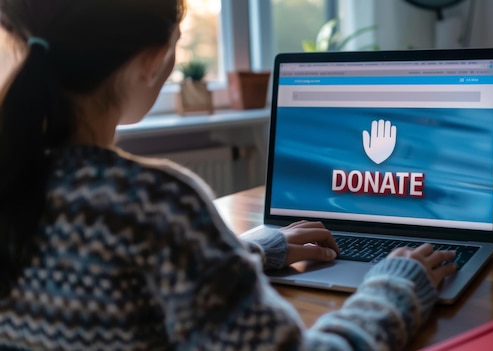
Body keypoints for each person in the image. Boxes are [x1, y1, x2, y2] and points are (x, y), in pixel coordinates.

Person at [0, 0, 458, 350]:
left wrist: (248, 251)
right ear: (151, 60)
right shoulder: (151, 205)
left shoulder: (17, 180)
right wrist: (396, 284)